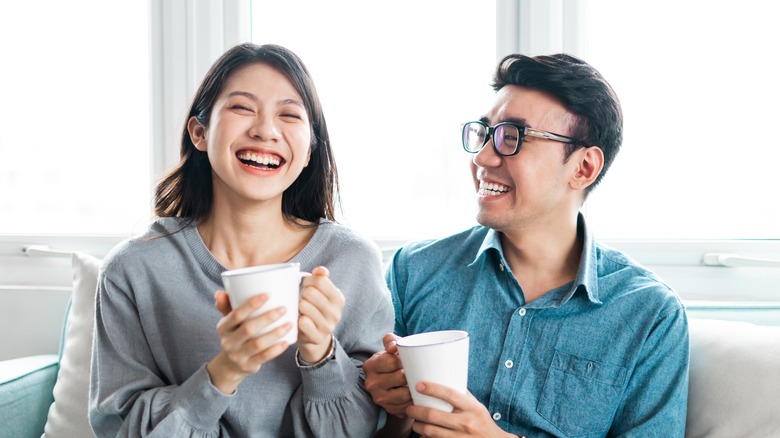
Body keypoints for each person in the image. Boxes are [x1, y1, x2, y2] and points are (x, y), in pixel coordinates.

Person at [364, 53, 689, 437]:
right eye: (485, 134)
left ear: (583, 168)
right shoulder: (412, 271)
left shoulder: (649, 314)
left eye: (512, 138)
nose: (483, 157)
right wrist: (391, 408)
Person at [89, 43, 393, 437]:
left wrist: (321, 354)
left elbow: (368, 430)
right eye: (242, 108)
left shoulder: (352, 262)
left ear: (308, 150)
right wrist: (225, 370)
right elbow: (119, 429)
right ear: (200, 132)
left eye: (289, 115)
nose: (266, 130)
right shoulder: (133, 270)